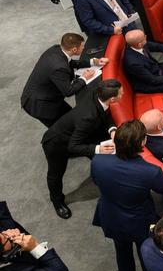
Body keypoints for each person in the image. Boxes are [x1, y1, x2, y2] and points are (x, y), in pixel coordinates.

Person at [91, 120, 163, 271]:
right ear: (142, 143)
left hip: (111, 216)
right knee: (146, 251)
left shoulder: (98, 161)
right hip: (139, 222)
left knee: (121, 250)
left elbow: (96, 181)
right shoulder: (149, 171)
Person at [40, 79, 121, 219]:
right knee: (55, 174)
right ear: (113, 98)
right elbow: (73, 146)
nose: (123, 94)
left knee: (100, 158)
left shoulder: (100, 95)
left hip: (79, 134)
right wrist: (98, 149)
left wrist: (112, 130)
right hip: (56, 144)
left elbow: (106, 113)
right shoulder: (88, 118)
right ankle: (57, 201)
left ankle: (106, 182)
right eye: (121, 93)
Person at [21, 33, 108, 127]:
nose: (84, 48)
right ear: (74, 49)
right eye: (82, 46)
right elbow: (68, 91)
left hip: (49, 97)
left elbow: (69, 62)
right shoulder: (59, 67)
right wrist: (84, 78)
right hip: (40, 105)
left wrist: (93, 61)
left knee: (73, 119)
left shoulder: (56, 49)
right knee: (63, 129)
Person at [0, 201, 77, 271]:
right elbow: (58, 269)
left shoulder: (6, 243)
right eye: (3, 235)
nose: (6, 232)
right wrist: (34, 246)